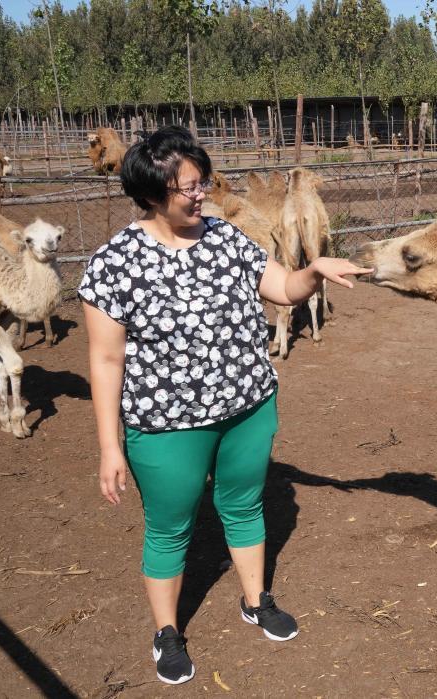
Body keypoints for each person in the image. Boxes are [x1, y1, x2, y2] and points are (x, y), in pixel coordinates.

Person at [79, 125, 369, 685]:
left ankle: (256, 600)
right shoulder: (113, 265)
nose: (200, 194)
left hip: (247, 407)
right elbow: (106, 362)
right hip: (166, 426)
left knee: (244, 504)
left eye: (202, 181)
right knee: (168, 529)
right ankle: (167, 632)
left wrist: (314, 273)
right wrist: (110, 447)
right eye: (187, 187)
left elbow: (281, 289)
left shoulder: (228, 238)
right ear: (150, 194)